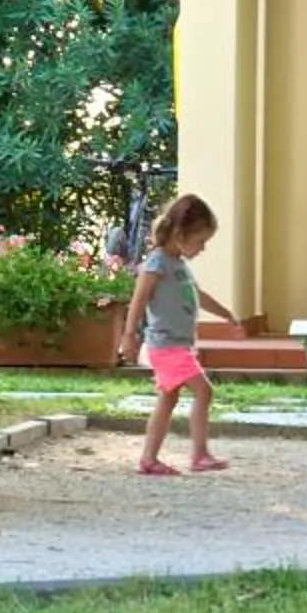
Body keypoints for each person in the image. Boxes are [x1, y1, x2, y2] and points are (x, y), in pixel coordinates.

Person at [116, 192, 242, 476]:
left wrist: (226, 314)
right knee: (204, 391)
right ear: (180, 234)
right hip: (166, 345)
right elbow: (139, 300)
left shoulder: (179, 266)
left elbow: (199, 296)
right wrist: (129, 335)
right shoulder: (157, 263)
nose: (203, 248)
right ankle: (199, 454)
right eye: (200, 241)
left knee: (168, 399)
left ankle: (149, 458)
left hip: (178, 345)